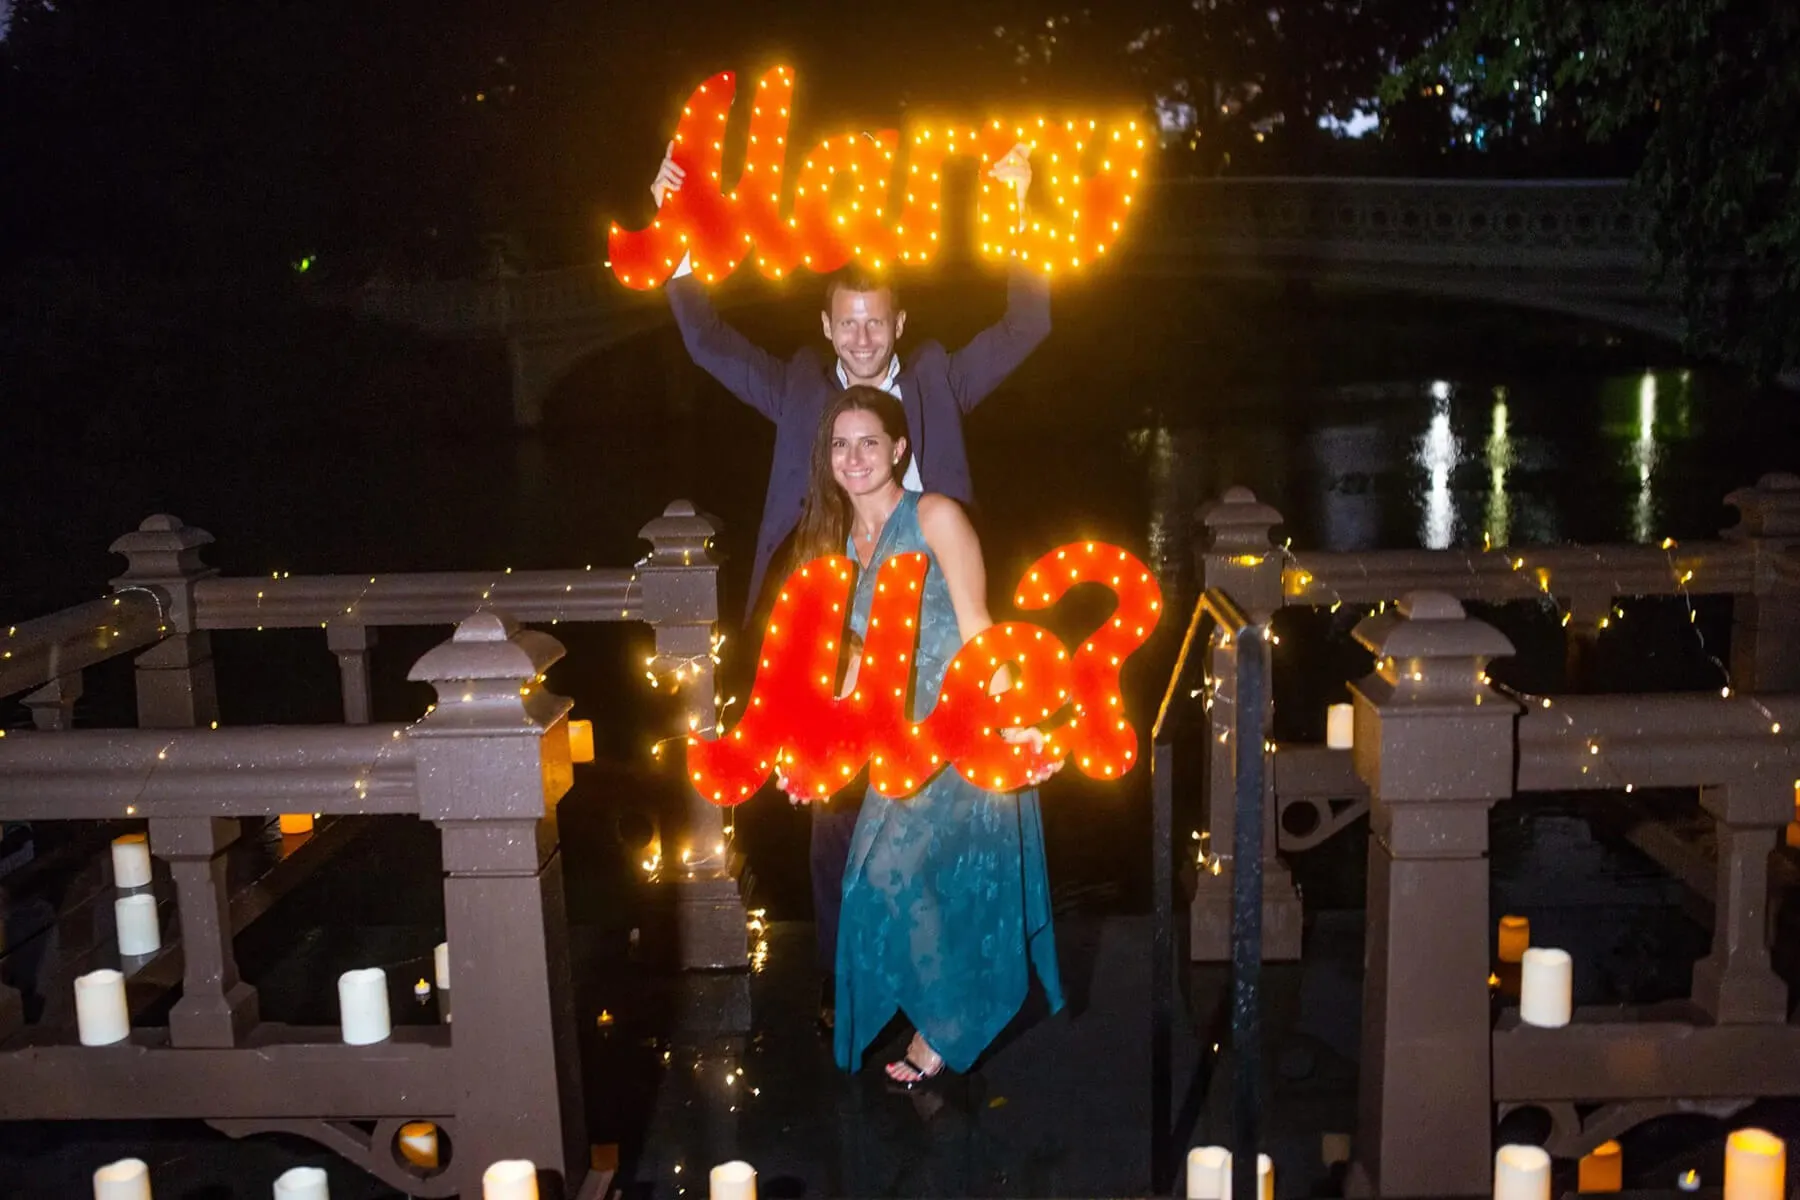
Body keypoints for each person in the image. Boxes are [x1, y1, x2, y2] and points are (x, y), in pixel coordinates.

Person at [650, 143, 1053, 1029]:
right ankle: (845, 981)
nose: (864, 339)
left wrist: (1020, 207)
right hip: (830, 629)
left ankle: (932, 985)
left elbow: (1026, 327)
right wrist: (675, 228)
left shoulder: (939, 380)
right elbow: (707, 340)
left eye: (877, 323)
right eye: (849, 324)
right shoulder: (798, 388)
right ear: (828, 327)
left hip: (933, 630)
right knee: (833, 813)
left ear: (898, 323)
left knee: (929, 814)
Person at [784, 385, 1064, 1084]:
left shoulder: (936, 516)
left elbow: (978, 625)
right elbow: (852, 664)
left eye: (869, 442)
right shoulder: (835, 542)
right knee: (880, 881)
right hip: (900, 743)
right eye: (840, 444)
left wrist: (1017, 723)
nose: (854, 457)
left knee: (905, 874)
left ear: (899, 449)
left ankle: (942, 1028)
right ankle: (948, 1009)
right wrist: (819, 753)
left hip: (962, 727)